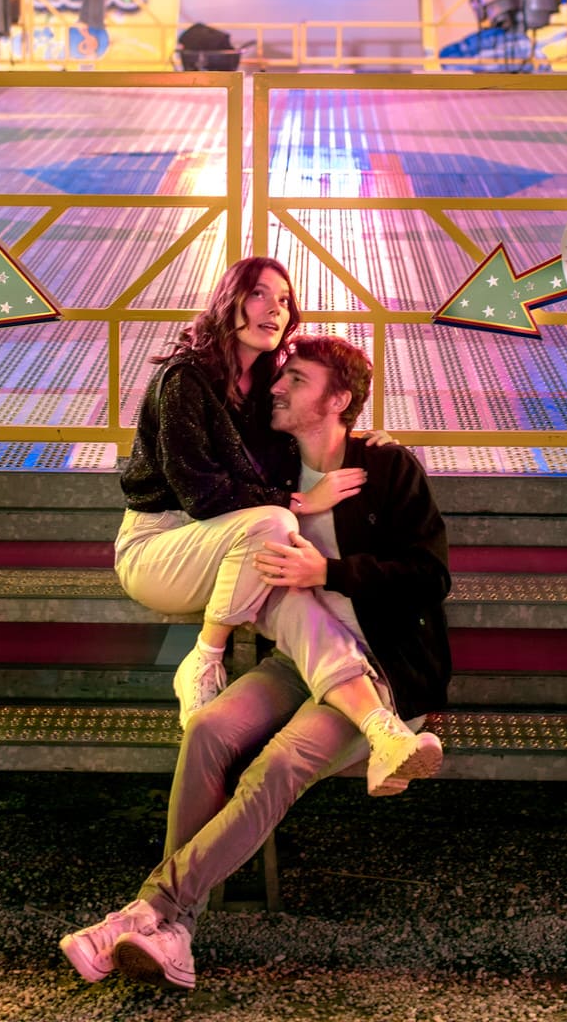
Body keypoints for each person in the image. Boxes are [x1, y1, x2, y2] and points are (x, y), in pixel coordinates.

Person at [62, 334, 450, 991]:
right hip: (297, 662)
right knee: (210, 729)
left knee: (281, 761)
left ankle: (151, 912)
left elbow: (428, 576)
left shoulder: (386, 468)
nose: (278, 388)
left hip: (383, 666)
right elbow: (221, 531)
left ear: (338, 400)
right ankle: (174, 934)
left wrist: (326, 569)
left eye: (296, 381)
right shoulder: (270, 474)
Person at [115, 258, 416, 743]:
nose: (275, 309)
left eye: (283, 300)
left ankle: (380, 728)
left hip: (236, 553)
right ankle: (205, 658)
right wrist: (301, 503)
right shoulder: (184, 381)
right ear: (228, 299)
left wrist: (356, 440)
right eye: (259, 294)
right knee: (277, 526)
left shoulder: (266, 387)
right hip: (160, 548)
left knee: (298, 599)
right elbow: (203, 496)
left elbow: (307, 431)